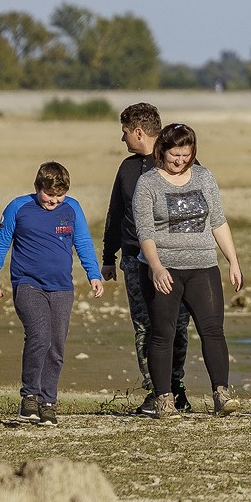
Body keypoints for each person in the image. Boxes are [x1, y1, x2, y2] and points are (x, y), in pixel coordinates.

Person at [132, 123, 243, 418]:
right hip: (163, 268)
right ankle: (164, 398)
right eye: (174, 155)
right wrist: (155, 267)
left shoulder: (204, 177)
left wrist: (232, 260)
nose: (180, 160)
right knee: (163, 333)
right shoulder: (148, 184)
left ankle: (221, 394)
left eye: (186, 154)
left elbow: (218, 221)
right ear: (162, 151)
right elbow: (145, 232)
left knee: (213, 330)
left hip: (203, 266)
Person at [0, 161, 104, 426]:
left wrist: (93, 274)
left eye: (59, 195)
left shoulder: (71, 208)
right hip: (28, 285)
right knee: (39, 335)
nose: (54, 200)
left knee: (56, 343)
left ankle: (48, 401)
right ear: (38, 187)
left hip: (62, 287)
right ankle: (29, 397)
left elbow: (82, 241)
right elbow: (1, 243)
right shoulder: (18, 207)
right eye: (49, 194)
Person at [101, 103, 193, 415]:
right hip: (133, 260)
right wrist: (108, 257)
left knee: (177, 327)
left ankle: (175, 386)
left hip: (175, 261)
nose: (123, 139)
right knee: (144, 326)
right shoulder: (127, 169)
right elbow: (116, 214)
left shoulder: (176, 164)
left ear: (139, 132)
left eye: (125, 132)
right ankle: (156, 390)